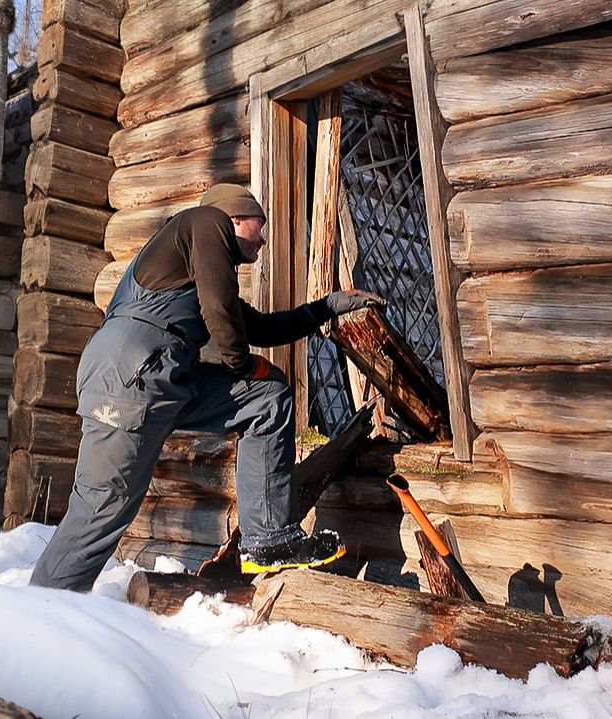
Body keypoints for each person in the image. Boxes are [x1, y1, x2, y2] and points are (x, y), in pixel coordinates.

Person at [30, 183, 383, 592]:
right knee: (103, 508)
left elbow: (257, 326)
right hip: (128, 379)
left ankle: (268, 539)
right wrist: (241, 364)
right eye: (259, 224)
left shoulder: (202, 266)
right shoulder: (205, 221)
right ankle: (43, 610)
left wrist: (326, 307)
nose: (264, 238)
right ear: (234, 218)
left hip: (165, 381)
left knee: (267, 398)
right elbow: (220, 315)